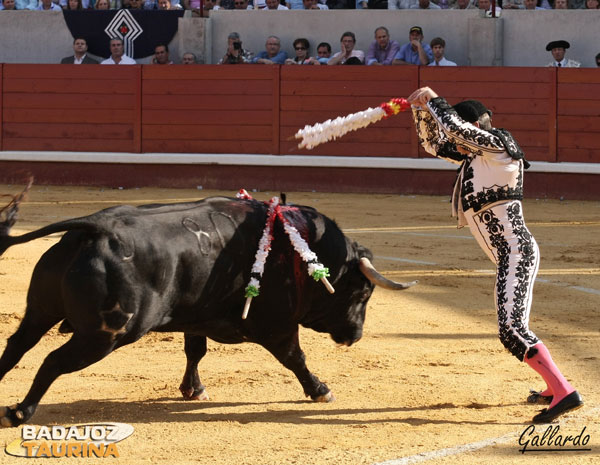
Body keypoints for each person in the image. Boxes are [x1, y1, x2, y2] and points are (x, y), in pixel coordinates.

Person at [407, 86, 583, 424]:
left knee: (512, 330)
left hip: (516, 253)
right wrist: (421, 112)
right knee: (516, 326)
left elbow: (456, 131)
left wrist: (434, 101)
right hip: (509, 255)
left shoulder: (498, 147)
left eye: (461, 132)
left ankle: (564, 392)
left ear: (474, 127)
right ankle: (552, 386)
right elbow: (434, 144)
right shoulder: (478, 156)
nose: (455, 143)